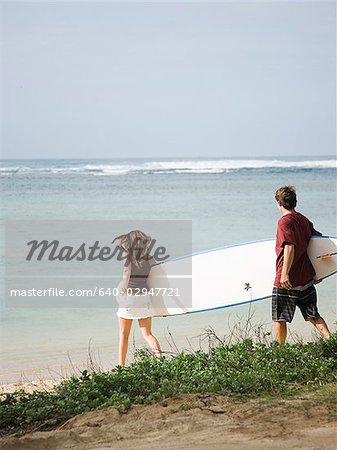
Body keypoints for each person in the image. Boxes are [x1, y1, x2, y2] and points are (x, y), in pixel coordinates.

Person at [272, 186, 330, 344]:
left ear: (279, 203)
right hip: (305, 279)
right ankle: (331, 342)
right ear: (294, 202)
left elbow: (290, 246)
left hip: (287, 281)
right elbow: (319, 242)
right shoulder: (303, 220)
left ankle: (280, 352)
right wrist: (320, 270)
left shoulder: (284, 222)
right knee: (313, 315)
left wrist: (285, 274)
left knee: (280, 317)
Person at [112, 230, 161, 366]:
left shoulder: (129, 260)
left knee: (124, 335)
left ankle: (121, 367)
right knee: (148, 334)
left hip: (129, 299)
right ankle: (159, 360)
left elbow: (126, 277)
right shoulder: (150, 259)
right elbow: (158, 272)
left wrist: (122, 292)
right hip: (144, 298)